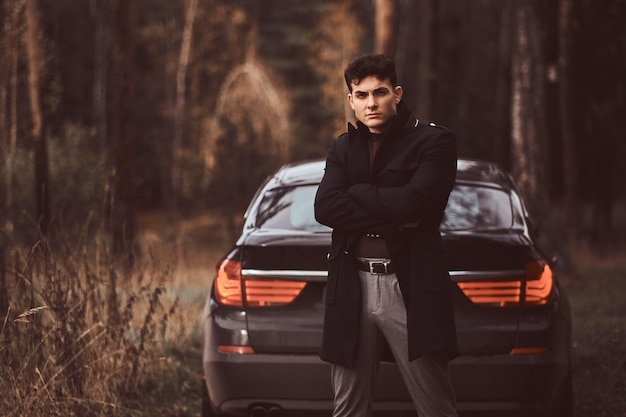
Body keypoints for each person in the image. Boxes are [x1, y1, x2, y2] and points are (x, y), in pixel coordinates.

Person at [314, 54, 459, 417]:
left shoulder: (433, 142)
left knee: (435, 405)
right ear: (351, 100)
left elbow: (418, 201)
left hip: (408, 284)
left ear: (396, 94)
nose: (371, 103)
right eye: (361, 95)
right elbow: (325, 208)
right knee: (348, 408)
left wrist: (357, 193)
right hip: (351, 285)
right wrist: (396, 213)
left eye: (379, 93)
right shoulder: (342, 148)